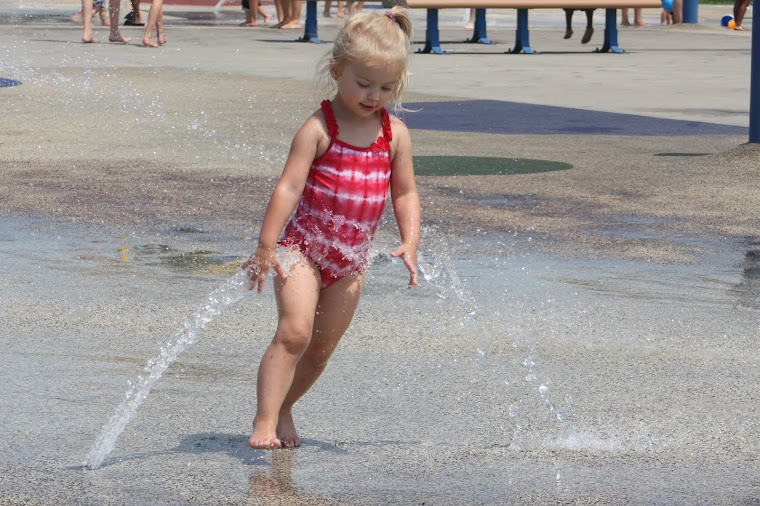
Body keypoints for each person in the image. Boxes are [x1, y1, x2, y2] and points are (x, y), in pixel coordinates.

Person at [243, 7, 420, 450]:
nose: (373, 95)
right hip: (301, 248)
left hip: (350, 260)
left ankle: (286, 407)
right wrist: (267, 246)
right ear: (337, 70)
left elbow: (404, 193)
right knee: (295, 333)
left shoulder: (394, 134)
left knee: (320, 351)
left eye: (385, 87)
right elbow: (288, 187)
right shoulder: (320, 128)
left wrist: (410, 240)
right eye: (363, 83)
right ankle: (264, 422)